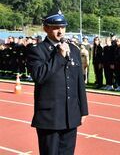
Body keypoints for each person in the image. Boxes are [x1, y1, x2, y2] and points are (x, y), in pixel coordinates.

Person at [27, 11, 88, 155]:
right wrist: (59, 57)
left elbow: (79, 81)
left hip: (70, 115)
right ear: (46, 28)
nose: (60, 31)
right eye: (55, 27)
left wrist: (83, 109)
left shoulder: (73, 49)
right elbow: (39, 76)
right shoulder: (38, 51)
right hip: (50, 117)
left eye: (63, 27)